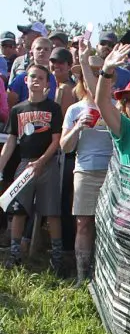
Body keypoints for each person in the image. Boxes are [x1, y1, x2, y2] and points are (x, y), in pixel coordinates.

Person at [0, 65, 64, 274]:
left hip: (48, 164)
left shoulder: (53, 108)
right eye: (32, 77)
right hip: (25, 164)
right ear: (25, 80)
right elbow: (11, 142)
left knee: (52, 211)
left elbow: (57, 141)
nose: (36, 80)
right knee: (18, 211)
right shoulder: (18, 109)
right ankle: (15, 254)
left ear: (47, 83)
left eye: (41, 78)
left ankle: (57, 258)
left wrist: (42, 161)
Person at [60, 54, 114, 285]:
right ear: (81, 77)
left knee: (109, 225)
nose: (91, 76)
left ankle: (104, 277)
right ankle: (83, 277)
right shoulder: (74, 109)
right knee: (83, 223)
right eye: (87, 72)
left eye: (97, 72)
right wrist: (76, 128)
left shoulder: (114, 106)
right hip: (84, 170)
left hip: (113, 172)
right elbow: (65, 146)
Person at [8, 37, 56, 107]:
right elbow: (10, 101)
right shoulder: (22, 77)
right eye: (38, 48)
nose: (42, 51)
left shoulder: (56, 78)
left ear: (52, 53)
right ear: (31, 53)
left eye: (46, 49)